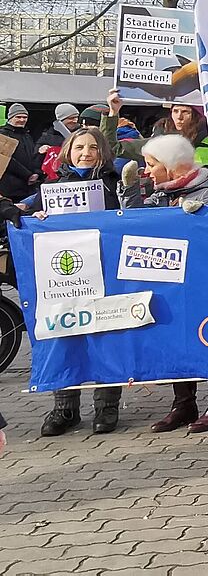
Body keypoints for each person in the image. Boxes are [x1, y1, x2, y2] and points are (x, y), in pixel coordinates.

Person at [119, 134, 208, 432]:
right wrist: (130, 189)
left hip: (203, 281)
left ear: (172, 167)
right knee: (174, 341)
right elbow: (136, 223)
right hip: (170, 280)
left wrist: (195, 219)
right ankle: (183, 404)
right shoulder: (163, 191)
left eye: (151, 165)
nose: (146, 171)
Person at [25, 128, 125, 435]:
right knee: (65, 335)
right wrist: (34, 215)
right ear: (68, 151)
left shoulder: (114, 185)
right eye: (79, 147)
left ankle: (106, 406)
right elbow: (21, 209)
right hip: (66, 278)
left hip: (105, 273)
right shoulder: (52, 187)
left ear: (102, 152)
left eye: (93, 147)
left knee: (107, 334)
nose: (85, 152)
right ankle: (64, 409)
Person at [102, 91, 208, 169]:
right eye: (175, 111)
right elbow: (112, 147)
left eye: (185, 112)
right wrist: (113, 112)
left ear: (196, 115)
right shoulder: (158, 143)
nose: (179, 117)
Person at [0, 104, 41, 202]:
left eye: (25, 117)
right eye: (18, 117)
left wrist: (36, 173)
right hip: (10, 188)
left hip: (28, 187)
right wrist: (27, 175)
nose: (22, 120)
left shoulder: (27, 135)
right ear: (10, 118)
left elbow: (32, 155)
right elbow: (6, 160)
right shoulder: (3, 135)